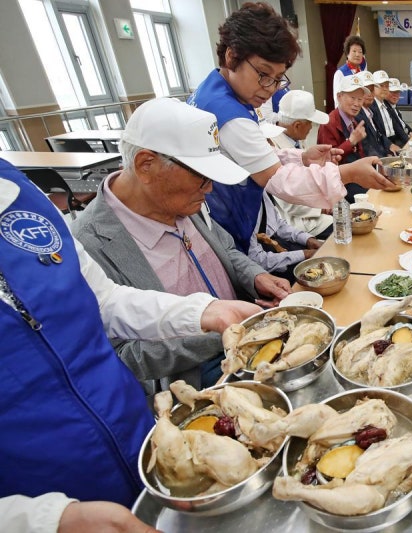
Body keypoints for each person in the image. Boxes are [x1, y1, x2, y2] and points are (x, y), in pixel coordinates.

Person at [0, 156, 261, 528]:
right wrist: (44, 519)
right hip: (44, 484)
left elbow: (101, 298)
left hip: (134, 430)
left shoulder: (20, 192)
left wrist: (202, 312)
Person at [72, 98, 291, 394]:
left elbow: (225, 249)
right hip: (198, 380)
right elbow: (125, 354)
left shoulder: (184, 200)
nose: (210, 188)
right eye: (201, 177)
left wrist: (255, 276)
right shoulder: (89, 244)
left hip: (250, 339)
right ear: (146, 165)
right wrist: (223, 332)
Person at [188, 2, 391, 252]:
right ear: (231, 56)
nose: (271, 88)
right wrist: (347, 173)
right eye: (263, 74)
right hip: (229, 224)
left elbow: (255, 156)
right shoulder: (229, 114)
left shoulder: (215, 87)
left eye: (278, 78)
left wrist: (301, 157)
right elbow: (277, 178)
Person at [270, 90, 334, 239]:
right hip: (296, 219)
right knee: (345, 226)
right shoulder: (274, 146)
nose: (312, 127)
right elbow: (288, 201)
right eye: (310, 122)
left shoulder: (295, 138)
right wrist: (322, 207)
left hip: (312, 206)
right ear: (297, 125)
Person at [318, 75, 382, 202]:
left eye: (360, 99)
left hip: (358, 172)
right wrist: (351, 142)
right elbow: (328, 162)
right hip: (342, 180)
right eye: (352, 98)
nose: (357, 104)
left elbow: (362, 153)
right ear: (339, 96)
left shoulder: (354, 119)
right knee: (375, 198)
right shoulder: (329, 123)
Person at [355, 71, 398, 158]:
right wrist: (384, 158)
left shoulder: (369, 112)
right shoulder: (357, 115)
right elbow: (366, 147)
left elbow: (378, 135)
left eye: (372, 90)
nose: (370, 94)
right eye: (366, 90)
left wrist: (389, 146)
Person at [370, 70, 407, 149]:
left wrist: (409, 141)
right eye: (381, 85)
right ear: (373, 87)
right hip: (384, 145)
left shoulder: (387, 105)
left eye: (387, 86)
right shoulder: (371, 107)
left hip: (395, 141)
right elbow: (377, 134)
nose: (385, 89)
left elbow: (397, 126)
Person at [332, 35, 367, 106]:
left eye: (360, 52)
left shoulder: (363, 71)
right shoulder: (340, 73)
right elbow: (337, 99)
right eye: (354, 51)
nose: (357, 55)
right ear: (347, 54)